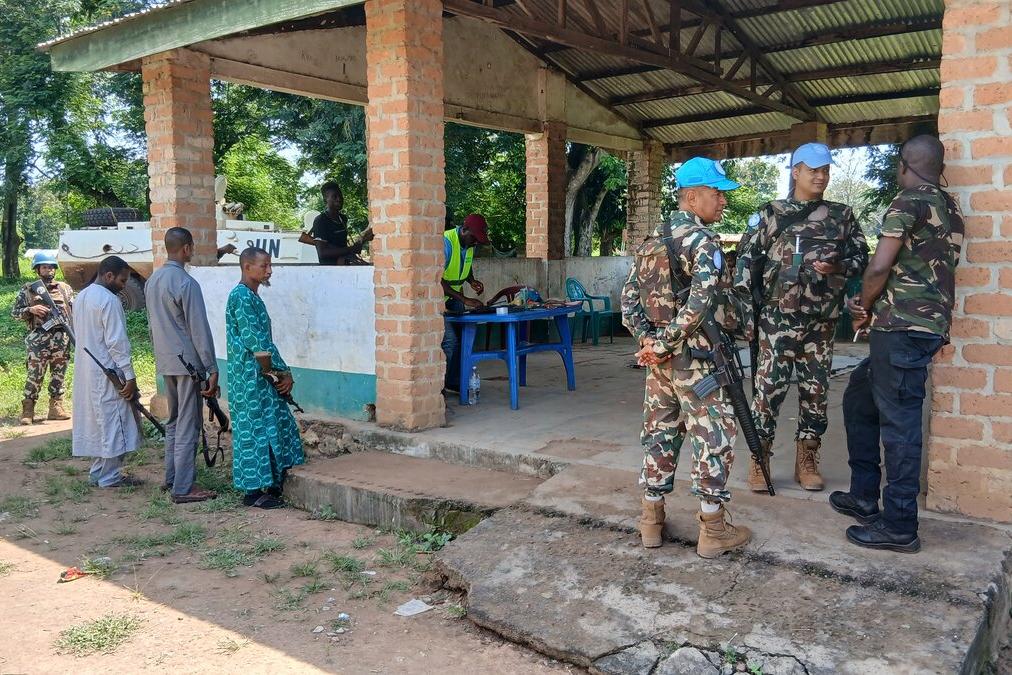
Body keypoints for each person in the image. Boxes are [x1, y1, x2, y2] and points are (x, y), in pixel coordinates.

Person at [831, 135, 963, 553]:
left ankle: (900, 524)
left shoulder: (908, 201)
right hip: (921, 327)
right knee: (859, 398)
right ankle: (865, 496)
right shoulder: (951, 208)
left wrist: (862, 306)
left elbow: (880, 265)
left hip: (901, 329)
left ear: (906, 163)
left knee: (900, 425)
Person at [621, 157, 752, 559]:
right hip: (696, 363)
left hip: (659, 365)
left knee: (660, 434)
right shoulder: (703, 242)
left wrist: (649, 341)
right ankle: (713, 529)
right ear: (692, 197)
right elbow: (700, 303)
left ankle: (651, 521)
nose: (723, 202)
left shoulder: (649, 243)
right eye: (717, 193)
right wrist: (664, 344)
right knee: (714, 435)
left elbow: (628, 301)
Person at [734, 143, 869, 492]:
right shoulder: (772, 213)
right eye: (813, 169)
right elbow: (745, 264)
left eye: (825, 170)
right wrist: (746, 316)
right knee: (767, 392)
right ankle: (759, 459)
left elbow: (862, 258)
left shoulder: (842, 215)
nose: (821, 176)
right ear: (796, 171)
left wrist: (839, 266)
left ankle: (806, 459)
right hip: (776, 320)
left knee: (816, 393)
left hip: (821, 322)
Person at [226, 247, 304, 509]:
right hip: (249, 377)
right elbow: (256, 341)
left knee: (276, 423)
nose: (269, 270)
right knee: (253, 432)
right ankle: (252, 492)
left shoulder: (251, 296)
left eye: (270, 265)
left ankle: (272, 483)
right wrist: (283, 370)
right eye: (264, 266)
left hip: (259, 375)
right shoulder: (242, 297)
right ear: (247, 267)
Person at [144, 227, 218, 504]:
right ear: (186, 248)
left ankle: (172, 477)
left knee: (174, 422)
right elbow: (199, 330)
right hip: (188, 363)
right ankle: (184, 488)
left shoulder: (152, 281)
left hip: (166, 361)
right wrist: (211, 367)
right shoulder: (186, 283)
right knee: (188, 423)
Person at [71, 256, 144, 488]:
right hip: (107, 370)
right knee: (114, 422)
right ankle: (109, 477)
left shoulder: (82, 296)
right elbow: (117, 342)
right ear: (108, 276)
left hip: (87, 370)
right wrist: (129, 376)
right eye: (122, 280)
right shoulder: (109, 300)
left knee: (101, 423)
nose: (124, 285)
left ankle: (98, 473)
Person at [11, 252, 74, 425]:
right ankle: (28, 409)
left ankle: (56, 408)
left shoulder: (64, 288)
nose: (49, 270)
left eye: (51, 267)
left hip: (61, 339)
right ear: (37, 269)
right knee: (35, 374)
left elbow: (73, 310)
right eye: (45, 267)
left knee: (59, 374)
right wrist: (30, 310)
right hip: (38, 339)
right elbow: (14, 313)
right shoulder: (28, 289)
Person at [441, 213, 490, 393]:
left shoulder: (469, 244)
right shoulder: (445, 242)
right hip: (439, 300)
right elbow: (435, 278)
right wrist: (465, 299)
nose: (475, 242)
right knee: (450, 342)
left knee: (464, 339)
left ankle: (454, 382)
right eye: (474, 238)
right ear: (464, 230)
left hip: (454, 298)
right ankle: (439, 387)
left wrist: (472, 281)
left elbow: (465, 266)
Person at [301, 181, 373, 265]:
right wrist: (351, 249)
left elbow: (341, 245)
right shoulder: (321, 220)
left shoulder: (343, 218)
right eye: (334, 196)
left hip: (344, 263)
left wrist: (363, 239)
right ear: (325, 200)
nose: (339, 199)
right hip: (331, 270)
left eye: (340, 196)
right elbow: (322, 253)